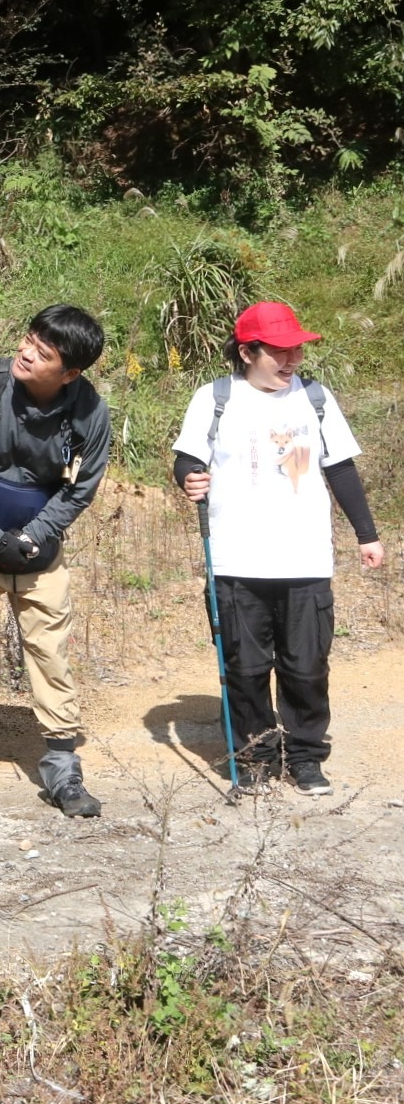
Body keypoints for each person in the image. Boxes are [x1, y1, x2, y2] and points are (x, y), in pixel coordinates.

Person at [172, 302, 384, 794]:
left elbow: (340, 468)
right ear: (248, 352)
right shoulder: (216, 398)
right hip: (236, 559)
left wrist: (366, 534)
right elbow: (187, 457)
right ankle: (254, 757)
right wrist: (189, 479)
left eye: (297, 351)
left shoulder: (314, 397)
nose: (291, 361)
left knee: (307, 666)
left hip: (305, 557)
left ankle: (305, 757)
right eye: (280, 352)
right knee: (244, 668)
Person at [0, 305, 109, 827]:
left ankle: (61, 765)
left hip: (38, 550)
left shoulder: (89, 412)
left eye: (44, 352)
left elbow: (80, 490)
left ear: (70, 372)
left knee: (51, 652)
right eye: (28, 339)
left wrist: (31, 538)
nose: (26, 352)